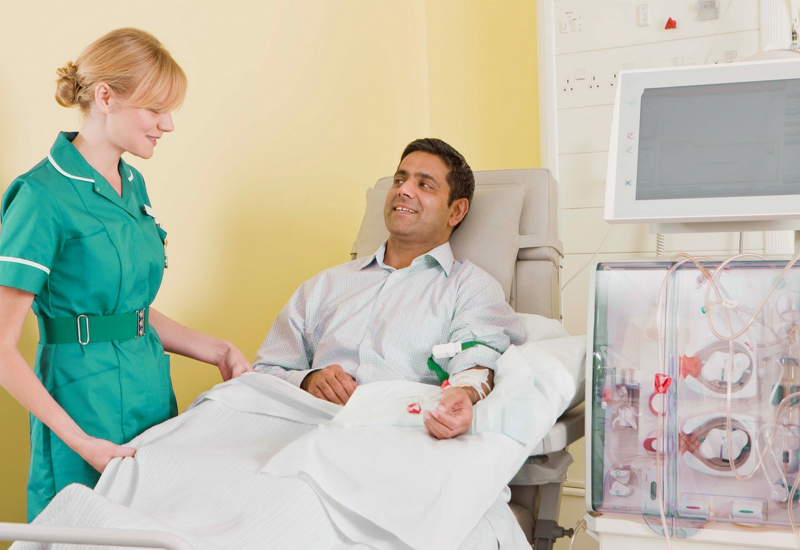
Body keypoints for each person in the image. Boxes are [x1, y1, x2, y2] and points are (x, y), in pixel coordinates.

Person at [0, 28, 252, 522]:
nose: (169, 124)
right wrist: (78, 441)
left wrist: (217, 350)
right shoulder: (40, 197)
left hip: (151, 395)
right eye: (156, 109)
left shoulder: (133, 183)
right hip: (82, 406)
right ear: (105, 97)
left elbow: (125, 311)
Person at [254, 138, 524, 439]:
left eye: (424, 185)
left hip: (394, 434)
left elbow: (478, 359)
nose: (403, 190)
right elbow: (264, 372)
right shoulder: (324, 285)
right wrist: (308, 380)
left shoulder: (470, 287)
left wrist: (463, 393)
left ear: (456, 211)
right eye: (400, 179)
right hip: (299, 426)